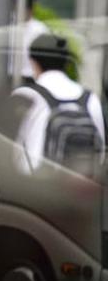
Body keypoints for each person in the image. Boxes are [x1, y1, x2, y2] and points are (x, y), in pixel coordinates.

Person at [11, 33, 106, 176]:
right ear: (67, 63)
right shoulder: (90, 98)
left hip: (34, 188)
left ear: (33, 62)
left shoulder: (25, 95)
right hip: (82, 187)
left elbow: (7, 149)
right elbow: (101, 151)